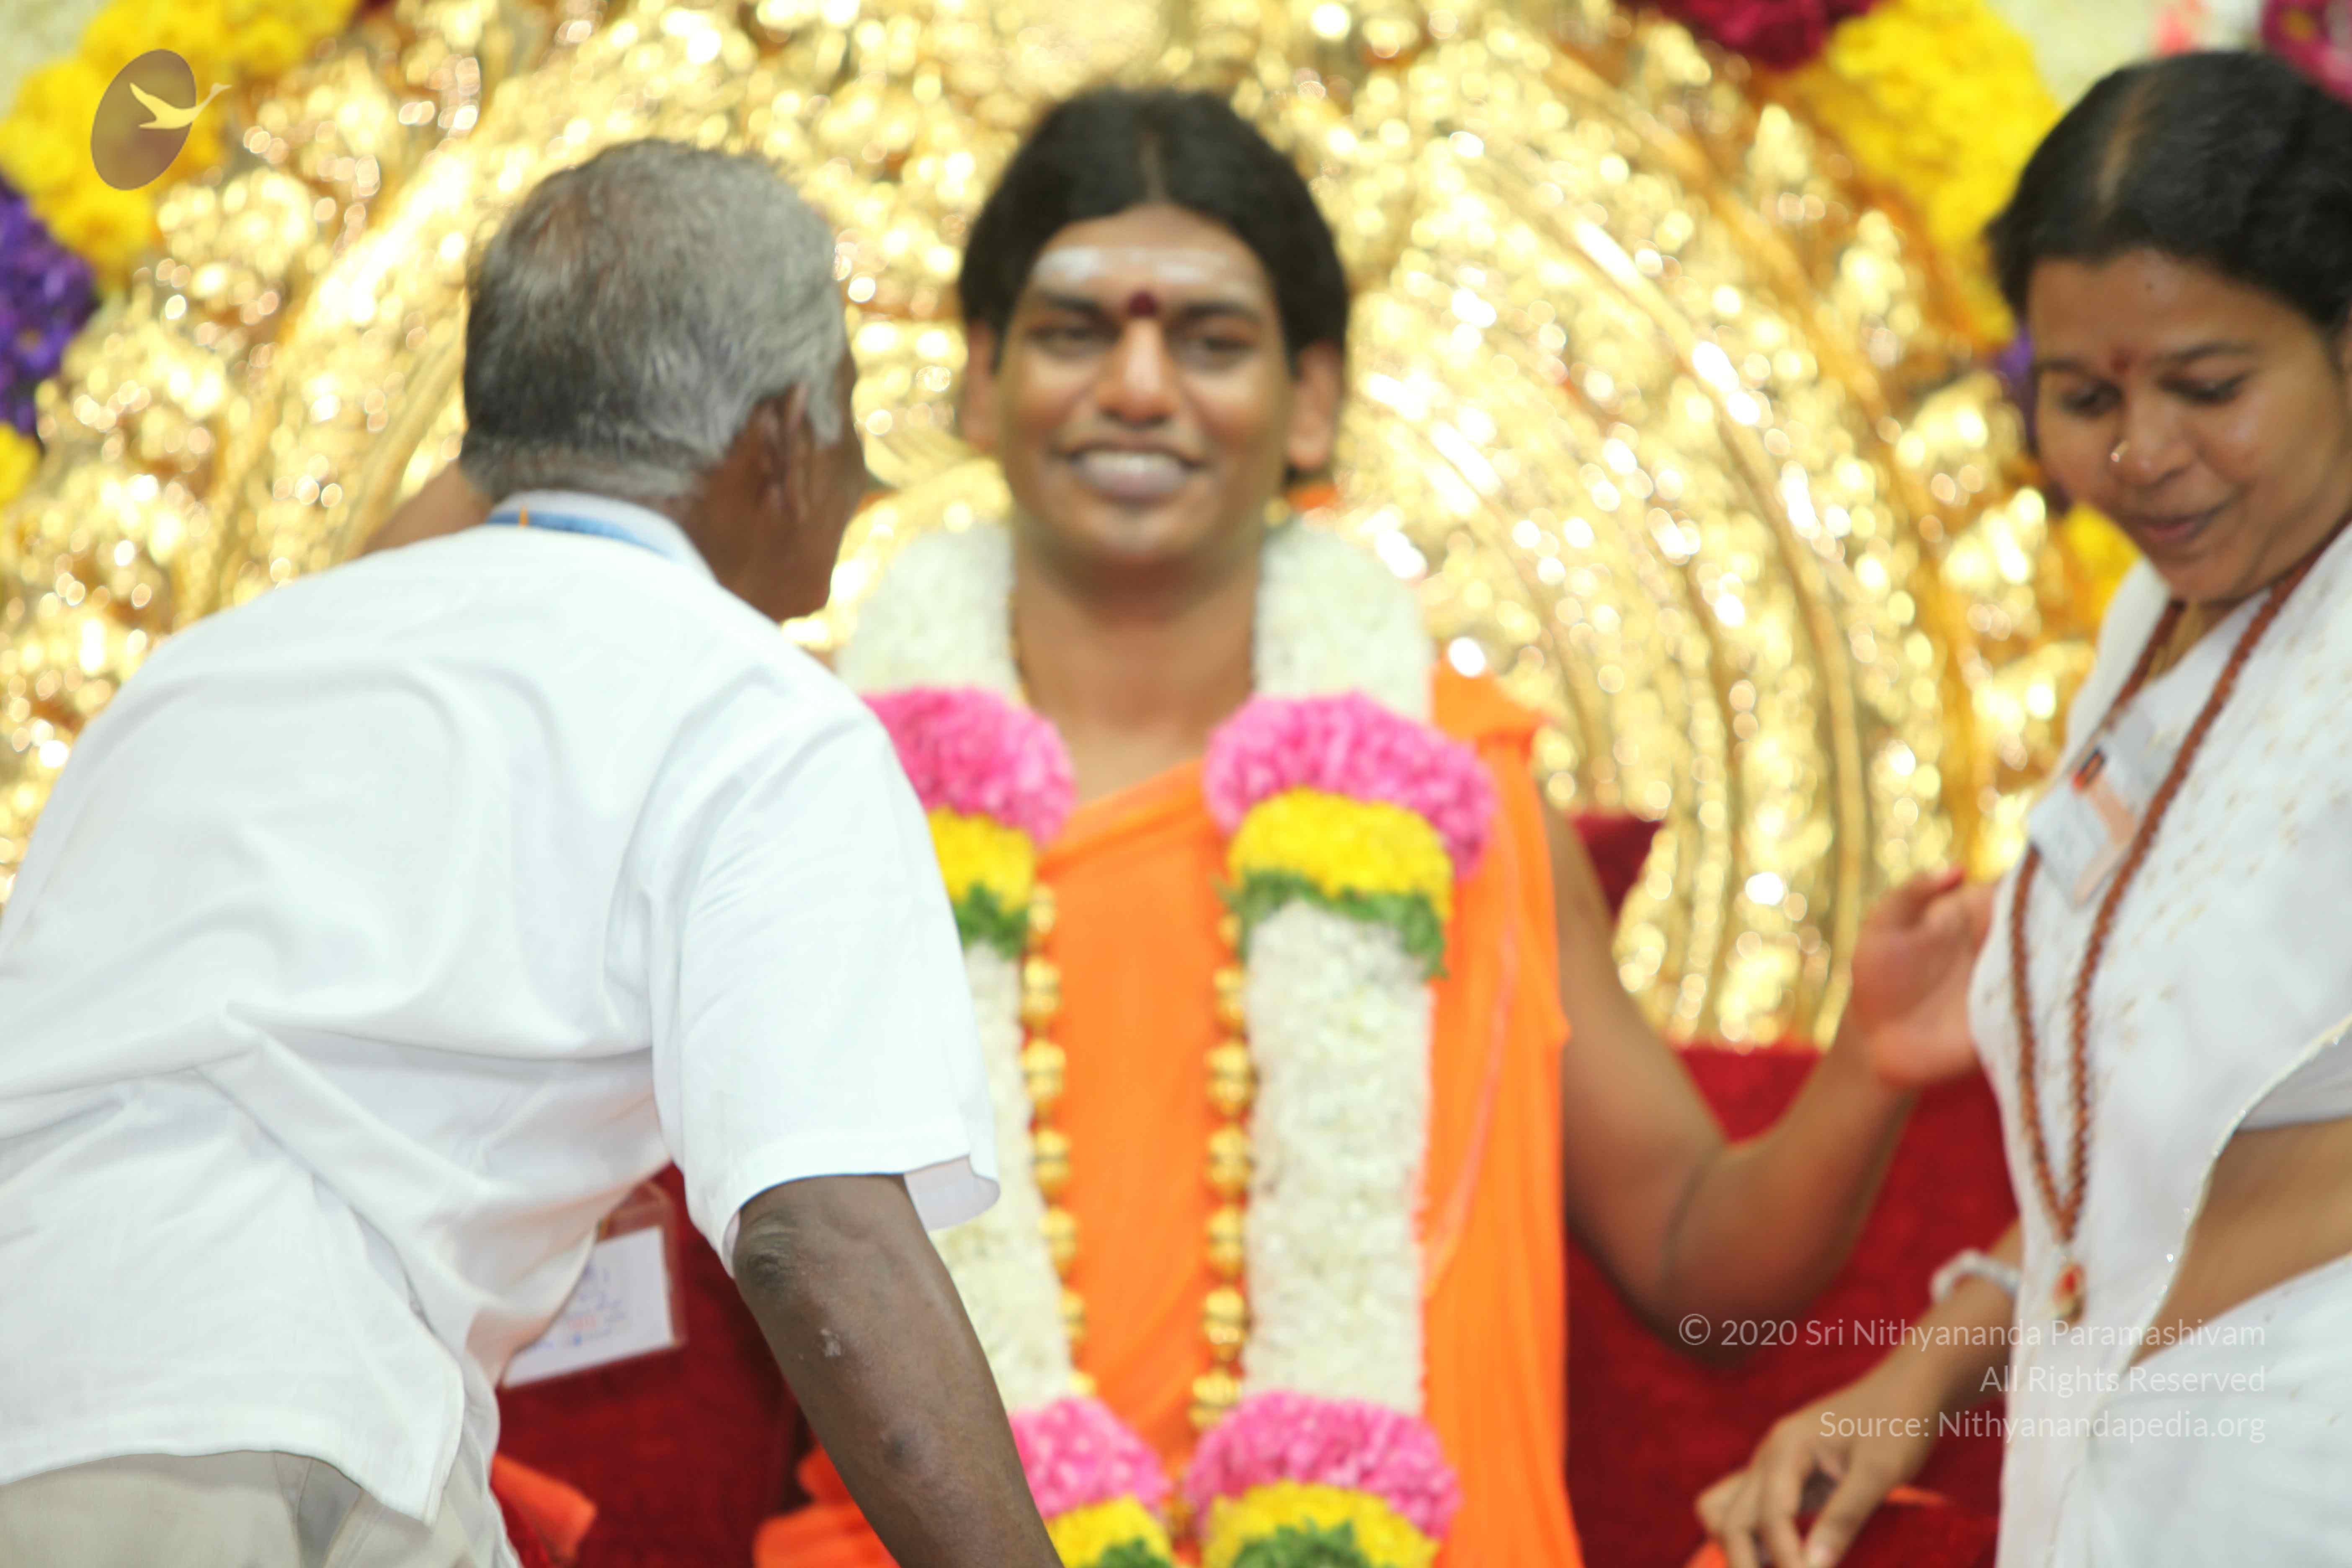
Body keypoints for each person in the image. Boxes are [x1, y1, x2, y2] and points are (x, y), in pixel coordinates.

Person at [720, 88, 1994, 1567]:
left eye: (1212, 341)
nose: (1140, 387)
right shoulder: (831, 793)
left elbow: (1697, 1265)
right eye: (1076, 332)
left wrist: (1869, 1068)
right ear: (981, 381)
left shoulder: (1459, 791)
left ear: (1314, 400)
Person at [0, 141, 1060, 1568]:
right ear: (782, 437)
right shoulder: (753, 710)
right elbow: (819, 1233)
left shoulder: (201, 673)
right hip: (253, 1435)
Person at [1696, 51, 2352, 1568]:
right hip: (2117, 1475)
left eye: (2210, 388)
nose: (2142, 454)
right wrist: (1923, 1375)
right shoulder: (2153, 619)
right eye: (2085, 395)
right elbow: (2140, 1158)